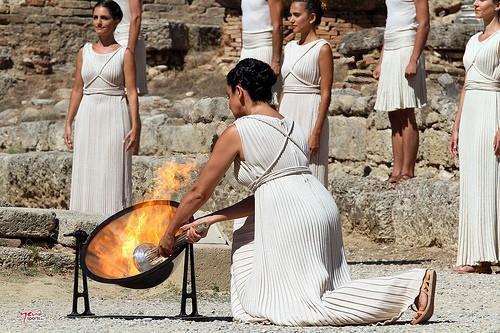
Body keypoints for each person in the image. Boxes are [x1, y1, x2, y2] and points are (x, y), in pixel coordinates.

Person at [158, 59, 436, 326]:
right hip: (318, 204)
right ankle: (405, 288)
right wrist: (210, 220)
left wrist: (170, 231)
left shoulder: (237, 131)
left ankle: (411, 284)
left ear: (240, 92)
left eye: (229, 95)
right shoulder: (292, 126)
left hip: (293, 215)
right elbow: (266, 196)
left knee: (305, 308)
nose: (229, 104)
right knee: (255, 307)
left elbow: (198, 193)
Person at [64, 0, 140, 216]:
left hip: (114, 113)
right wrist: (69, 121)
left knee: (112, 171)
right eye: (96, 17)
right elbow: (77, 89)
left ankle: (112, 225)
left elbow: (132, 92)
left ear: (116, 21)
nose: (99, 22)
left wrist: (135, 126)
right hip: (88, 115)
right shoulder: (84, 52)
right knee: (86, 170)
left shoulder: (125, 54)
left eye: (104, 18)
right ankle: (82, 226)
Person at [449, 0, 499, 274]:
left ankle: (492, 255)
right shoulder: (472, 41)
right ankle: (478, 256)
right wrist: (457, 126)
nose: (476, 3)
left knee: (492, 178)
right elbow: (466, 83)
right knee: (473, 182)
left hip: (493, 108)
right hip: (471, 113)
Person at [373, 0, 429, 183]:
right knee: (393, 113)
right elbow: (390, 25)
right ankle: (396, 169)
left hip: (407, 47)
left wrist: (414, 59)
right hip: (391, 48)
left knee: (406, 111)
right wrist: (381, 61)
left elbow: (424, 23)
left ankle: (407, 170)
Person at [279, 0, 332, 186]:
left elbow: (326, 93)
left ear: (311, 18)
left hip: (310, 110)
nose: (291, 20)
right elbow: (285, 88)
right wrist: (277, 120)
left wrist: (316, 132)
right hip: (288, 112)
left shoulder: (322, 48)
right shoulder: (289, 47)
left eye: (296, 15)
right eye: (290, 14)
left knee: (310, 170)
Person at [240, 0, 283, 104]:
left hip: (264, 47)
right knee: (244, 96)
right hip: (246, 48)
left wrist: (276, 60)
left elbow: (278, 26)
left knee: (266, 99)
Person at [113, 0, 148, 95]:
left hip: (128, 38)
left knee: (129, 90)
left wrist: (130, 49)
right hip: (114, 37)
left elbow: (136, 16)